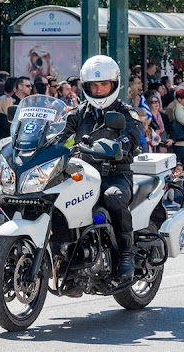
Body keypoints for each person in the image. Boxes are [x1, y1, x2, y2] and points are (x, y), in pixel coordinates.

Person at [61, 55, 141, 280]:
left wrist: (122, 145)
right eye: (94, 85)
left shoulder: (125, 112)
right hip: (83, 174)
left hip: (114, 174)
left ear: (113, 84)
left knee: (113, 197)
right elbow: (60, 132)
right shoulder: (79, 112)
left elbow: (132, 135)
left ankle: (126, 252)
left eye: (103, 84)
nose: (98, 90)